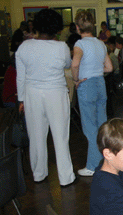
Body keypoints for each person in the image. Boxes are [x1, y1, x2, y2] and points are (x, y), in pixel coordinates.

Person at [16, 9, 76, 186]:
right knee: (60, 136)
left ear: (37, 26)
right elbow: (66, 64)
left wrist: (21, 100)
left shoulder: (24, 47)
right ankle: (66, 177)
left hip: (32, 94)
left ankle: (39, 174)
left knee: (36, 136)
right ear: (56, 28)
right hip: (56, 93)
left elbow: (21, 76)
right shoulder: (61, 47)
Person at [72, 10, 113, 177]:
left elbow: (75, 65)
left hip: (87, 85)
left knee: (90, 128)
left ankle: (92, 166)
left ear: (77, 27)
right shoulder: (101, 44)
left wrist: (76, 80)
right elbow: (110, 68)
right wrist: (95, 70)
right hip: (100, 84)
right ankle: (106, 161)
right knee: (102, 126)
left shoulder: (79, 45)